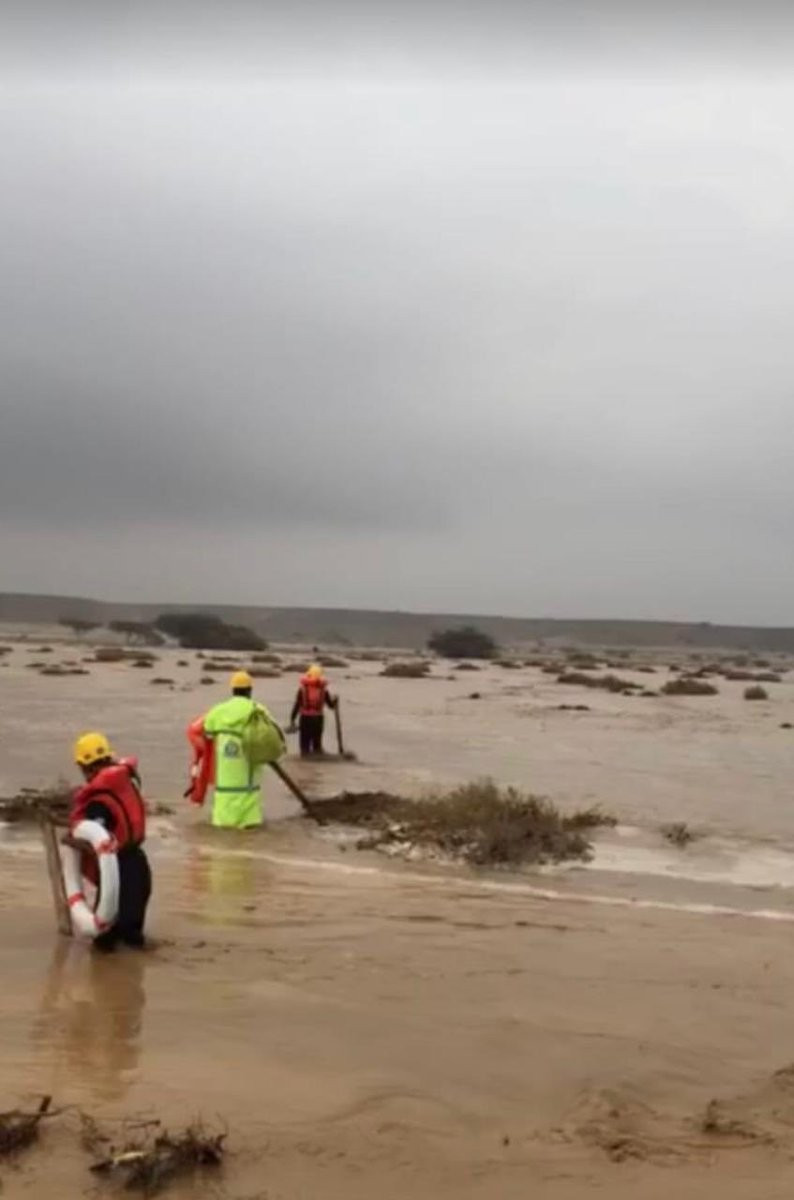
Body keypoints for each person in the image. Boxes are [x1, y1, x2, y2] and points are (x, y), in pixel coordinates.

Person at [70, 732, 151, 954]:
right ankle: (134, 976)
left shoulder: (98, 800)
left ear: (85, 766)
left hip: (118, 868)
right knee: (132, 932)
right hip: (139, 864)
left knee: (107, 940)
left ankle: (111, 982)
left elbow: (98, 837)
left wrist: (72, 841)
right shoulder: (126, 780)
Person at [198, 671, 284, 829]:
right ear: (250, 690)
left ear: (232, 689)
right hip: (249, 785)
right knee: (250, 833)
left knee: (222, 838)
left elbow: (206, 734)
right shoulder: (258, 710)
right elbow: (274, 737)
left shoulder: (217, 711)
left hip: (225, 783)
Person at [290, 664, 337, 757]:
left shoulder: (302, 690)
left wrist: (292, 719)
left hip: (305, 718)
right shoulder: (324, 690)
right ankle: (317, 757)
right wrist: (335, 701)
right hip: (318, 719)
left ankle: (305, 758)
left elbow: (297, 705)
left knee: (304, 743)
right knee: (317, 742)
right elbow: (331, 706)